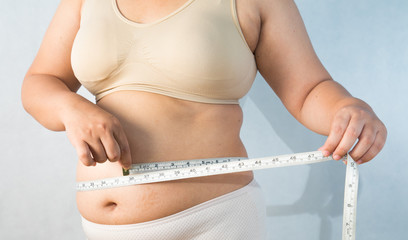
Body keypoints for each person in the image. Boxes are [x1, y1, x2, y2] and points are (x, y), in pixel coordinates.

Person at [21, 0, 387, 239]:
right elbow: (40, 82)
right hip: (102, 229)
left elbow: (309, 89)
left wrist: (349, 109)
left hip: (213, 219)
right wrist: (71, 108)